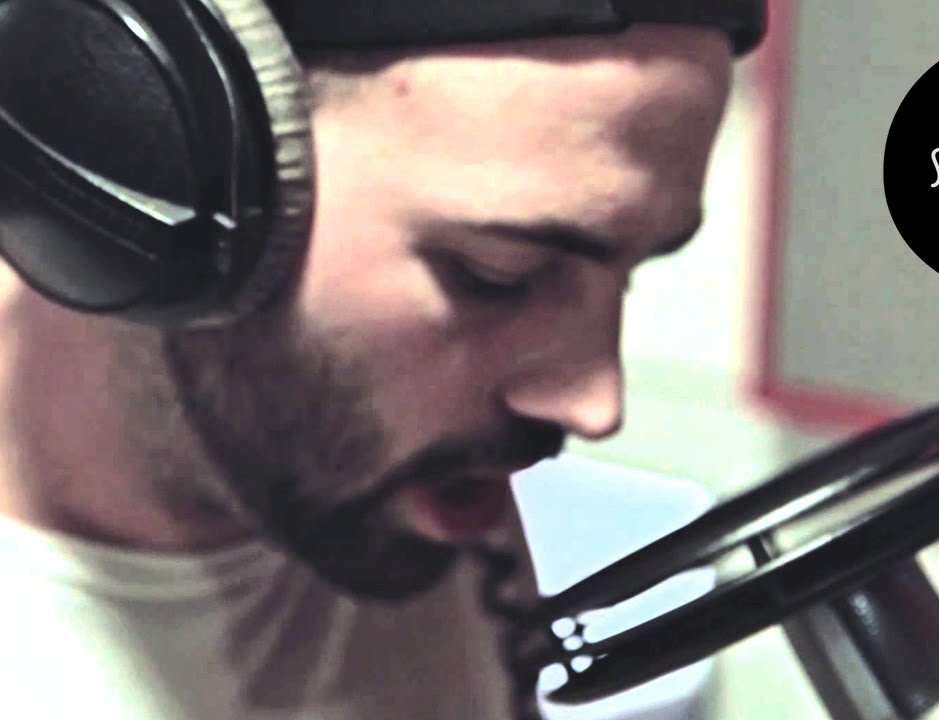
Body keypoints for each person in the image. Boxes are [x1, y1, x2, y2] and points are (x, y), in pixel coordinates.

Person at [0, 3, 755, 718]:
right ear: (133, 160)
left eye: (630, 272)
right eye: (497, 275)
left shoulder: (398, 484)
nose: (595, 405)